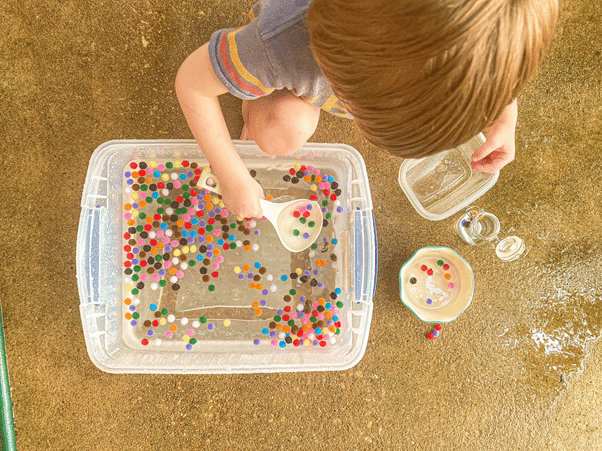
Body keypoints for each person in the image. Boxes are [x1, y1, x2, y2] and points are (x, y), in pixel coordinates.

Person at [175, 0, 561, 218]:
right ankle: (259, 108)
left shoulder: (494, 22)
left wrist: (503, 111)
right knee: (280, 130)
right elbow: (192, 86)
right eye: (359, 110)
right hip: (289, 57)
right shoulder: (276, 48)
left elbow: (491, 47)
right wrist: (232, 175)